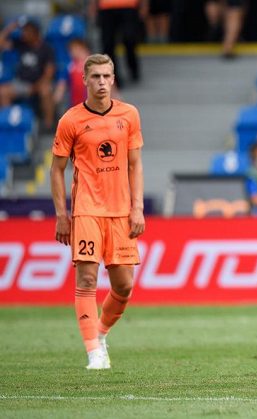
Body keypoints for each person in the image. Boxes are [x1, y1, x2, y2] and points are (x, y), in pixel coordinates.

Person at [50, 53, 145, 370]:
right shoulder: (71, 120)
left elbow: (134, 164)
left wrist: (137, 208)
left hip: (120, 212)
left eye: (106, 76)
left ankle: (101, 333)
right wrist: (62, 214)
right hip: (86, 210)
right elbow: (56, 169)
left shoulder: (129, 115)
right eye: (96, 77)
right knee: (87, 279)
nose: (102, 82)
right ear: (85, 80)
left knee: (124, 286)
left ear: (113, 78)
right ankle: (94, 352)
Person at [0, 19, 56, 131]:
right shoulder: (21, 44)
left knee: (46, 91)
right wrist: (10, 28)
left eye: (26, 31)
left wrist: (35, 87)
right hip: (21, 83)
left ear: (35, 32)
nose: (23, 34)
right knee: (3, 91)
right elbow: (1, 43)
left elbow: (49, 72)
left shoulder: (47, 48)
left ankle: (48, 126)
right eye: (23, 31)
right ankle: (9, 124)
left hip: (39, 84)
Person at [90, 0, 148, 86]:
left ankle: (133, 68)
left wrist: (144, 5)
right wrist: (93, 6)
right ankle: (112, 75)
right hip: (106, 7)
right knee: (108, 44)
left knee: (130, 39)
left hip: (129, 6)